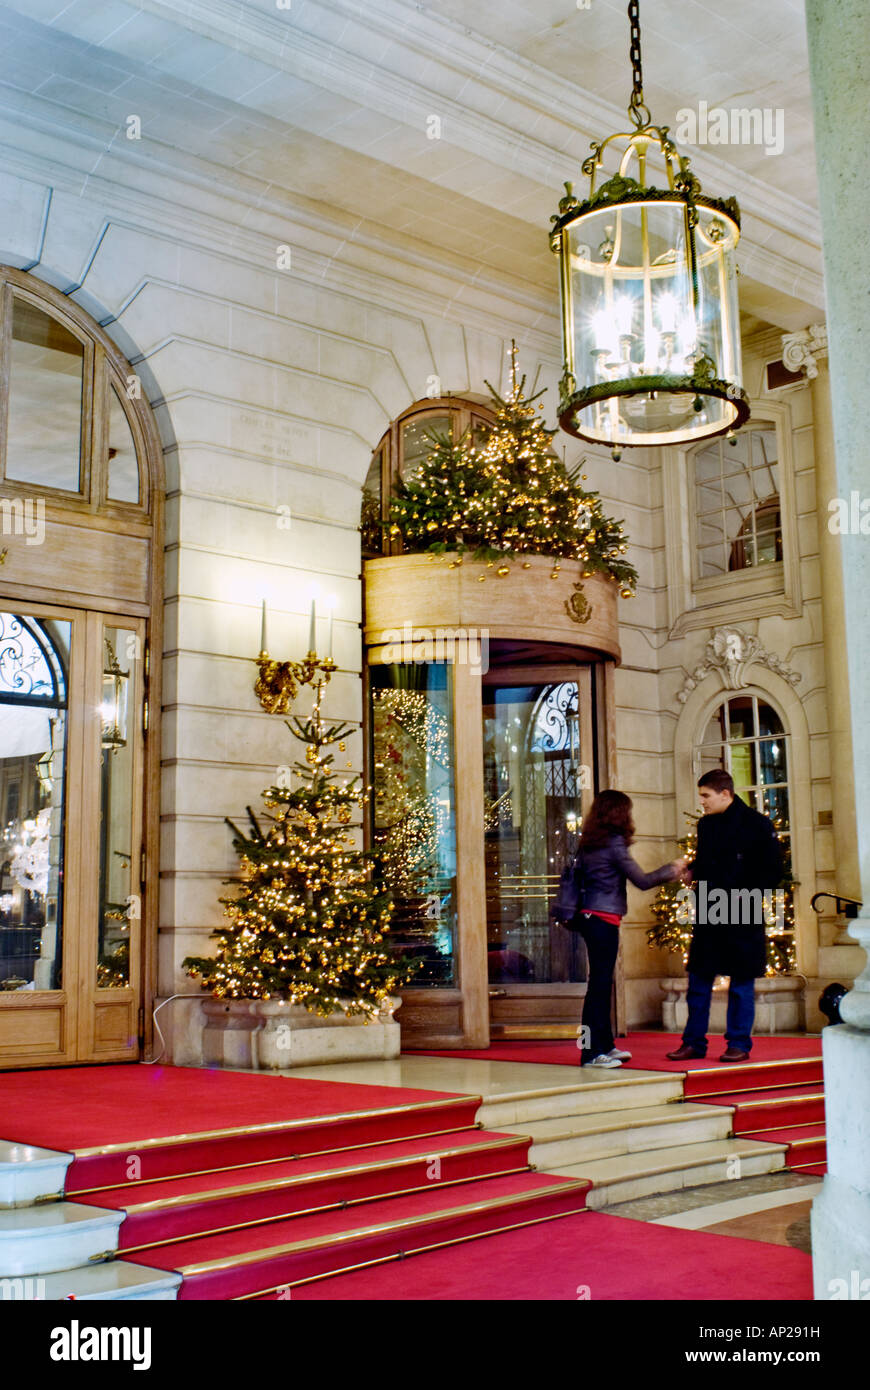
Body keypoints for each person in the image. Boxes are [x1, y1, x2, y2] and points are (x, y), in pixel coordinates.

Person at [666, 769, 783, 1063]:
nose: (702, 802)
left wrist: (745, 895)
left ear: (725, 794)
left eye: (706, 796)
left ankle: (739, 1044)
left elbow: (772, 872)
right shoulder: (706, 826)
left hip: (742, 913)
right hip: (710, 912)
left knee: (742, 984)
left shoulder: (758, 824)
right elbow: (708, 862)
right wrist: (692, 871)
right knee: (698, 982)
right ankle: (693, 1042)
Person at [572, 790, 686, 1068]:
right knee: (599, 987)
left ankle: (604, 1046)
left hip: (590, 917)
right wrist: (673, 869)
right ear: (620, 814)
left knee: (599, 985)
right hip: (603, 920)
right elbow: (643, 880)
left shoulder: (589, 843)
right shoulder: (613, 844)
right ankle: (591, 1053)